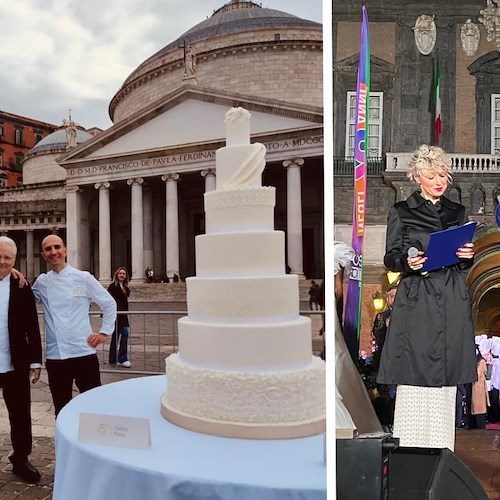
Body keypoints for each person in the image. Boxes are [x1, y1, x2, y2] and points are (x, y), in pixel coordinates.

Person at [377, 144, 477, 451]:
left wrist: (466, 255)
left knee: (446, 371)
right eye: (432, 174)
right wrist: (408, 262)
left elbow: (463, 257)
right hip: (418, 297)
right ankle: (409, 448)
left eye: (443, 174)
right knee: (415, 365)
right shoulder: (402, 212)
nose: (439, 180)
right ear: (418, 176)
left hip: (450, 295)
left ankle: (441, 447)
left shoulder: (456, 211)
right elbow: (390, 257)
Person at [32, 235, 116, 416]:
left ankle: (92, 443)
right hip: (56, 357)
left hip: (83, 353)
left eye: (57, 247)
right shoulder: (42, 282)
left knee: (93, 406)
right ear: (43, 255)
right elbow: (24, 299)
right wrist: (14, 275)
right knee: (61, 409)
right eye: (48, 249)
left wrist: (104, 332)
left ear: (65, 250)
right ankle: (65, 444)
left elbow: (109, 303)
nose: (53, 252)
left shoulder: (83, 277)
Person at [0, 237, 42, 483]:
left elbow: (31, 325)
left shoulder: (22, 286)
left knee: (20, 414)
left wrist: (35, 361)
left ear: (15, 260)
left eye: (7, 258)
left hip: (14, 362)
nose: (2, 262)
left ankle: (21, 458)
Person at [107, 267, 131, 368]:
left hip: (123, 315)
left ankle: (121, 358)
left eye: (124, 274)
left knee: (124, 334)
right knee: (115, 337)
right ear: (117, 275)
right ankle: (116, 358)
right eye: (120, 273)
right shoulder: (112, 286)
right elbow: (109, 300)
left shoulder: (125, 287)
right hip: (116, 315)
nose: (122, 275)